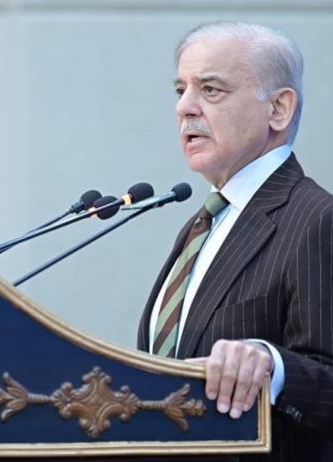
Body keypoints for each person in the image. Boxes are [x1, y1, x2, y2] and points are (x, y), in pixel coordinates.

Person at [137, 21, 333, 462]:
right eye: (180, 90)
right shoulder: (202, 225)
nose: (184, 108)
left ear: (278, 108)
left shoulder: (318, 219)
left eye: (210, 90)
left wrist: (272, 365)